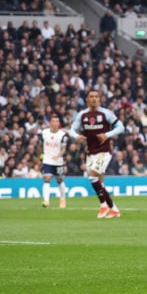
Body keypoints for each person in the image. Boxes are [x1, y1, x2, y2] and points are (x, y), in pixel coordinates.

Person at [70, 90, 125, 218]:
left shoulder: (106, 113)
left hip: (104, 151)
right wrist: (76, 136)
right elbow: (72, 130)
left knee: (92, 177)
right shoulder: (82, 115)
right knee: (99, 183)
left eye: (96, 96)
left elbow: (121, 127)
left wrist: (107, 135)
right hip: (91, 152)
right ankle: (114, 209)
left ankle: (103, 206)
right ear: (87, 100)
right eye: (91, 97)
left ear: (100, 99)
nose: (94, 99)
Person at [38, 115, 69, 208]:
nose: (55, 123)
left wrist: (58, 156)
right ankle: (46, 201)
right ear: (50, 123)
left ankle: (63, 199)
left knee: (59, 180)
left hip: (58, 161)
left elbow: (64, 149)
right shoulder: (44, 133)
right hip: (47, 160)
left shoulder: (62, 135)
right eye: (53, 121)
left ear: (59, 123)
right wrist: (40, 157)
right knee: (47, 179)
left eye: (57, 121)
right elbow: (40, 146)